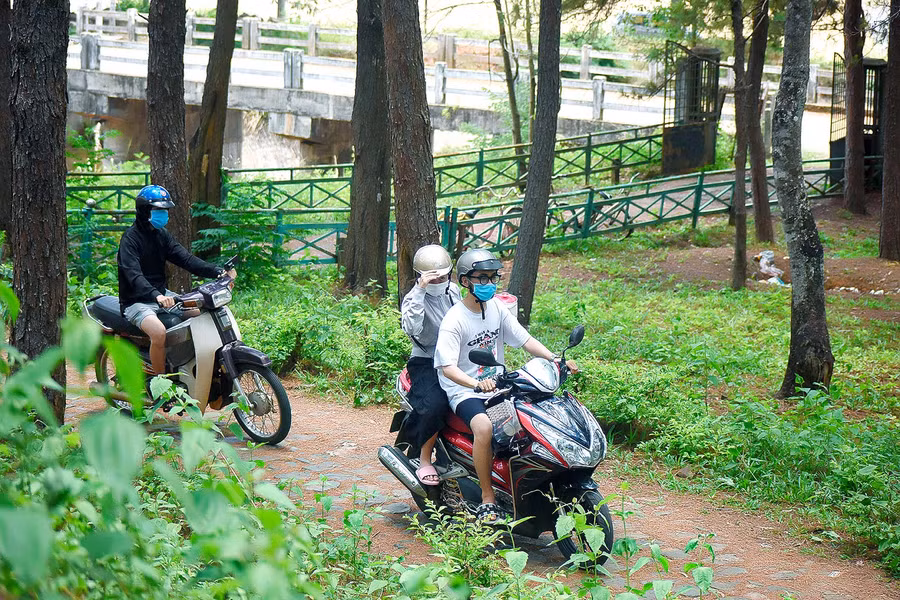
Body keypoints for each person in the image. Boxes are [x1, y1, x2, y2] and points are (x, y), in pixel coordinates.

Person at [434, 248, 576, 523]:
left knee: (523, 424)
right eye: (482, 278)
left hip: (497, 384)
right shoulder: (455, 319)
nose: (489, 284)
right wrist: (476, 383)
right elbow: (447, 367)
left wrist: (555, 359)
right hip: (465, 390)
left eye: (493, 278)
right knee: (485, 427)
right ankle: (488, 498)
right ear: (465, 281)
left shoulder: (497, 308)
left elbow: (524, 339)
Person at [117, 185, 236, 377]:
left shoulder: (161, 235)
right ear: (144, 211)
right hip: (136, 301)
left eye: (165, 210)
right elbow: (134, 276)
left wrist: (219, 272)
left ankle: (187, 368)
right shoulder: (130, 240)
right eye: (159, 210)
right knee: (158, 332)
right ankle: (160, 385)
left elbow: (187, 260)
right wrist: (156, 295)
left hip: (162, 296)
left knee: (201, 315)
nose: (164, 214)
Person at [400, 244, 461, 486]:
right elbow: (411, 328)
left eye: (444, 276)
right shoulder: (413, 298)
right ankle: (425, 459)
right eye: (434, 278)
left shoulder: (454, 291)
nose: (440, 281)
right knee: (436, 403)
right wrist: (421, 289)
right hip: (427, 360)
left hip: (457, 358)